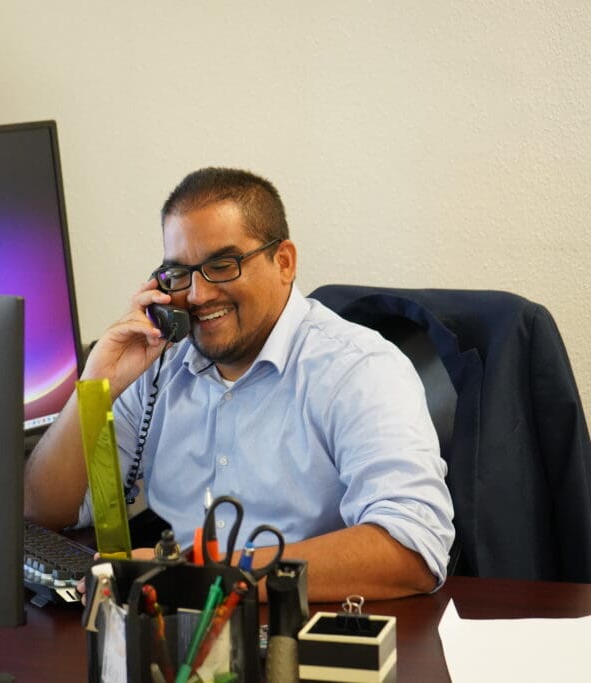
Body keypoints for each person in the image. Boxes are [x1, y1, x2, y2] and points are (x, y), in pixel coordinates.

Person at [23, 167, 455, 601]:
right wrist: (96, 384)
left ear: (283, 261)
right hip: (182, 633)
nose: (197, 295)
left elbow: (412, 549)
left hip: (306, 630)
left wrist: (194, 576)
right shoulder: (160, 369)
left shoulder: (359, 370)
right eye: (179, 273)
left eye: (222, 265)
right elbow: (43, 511)